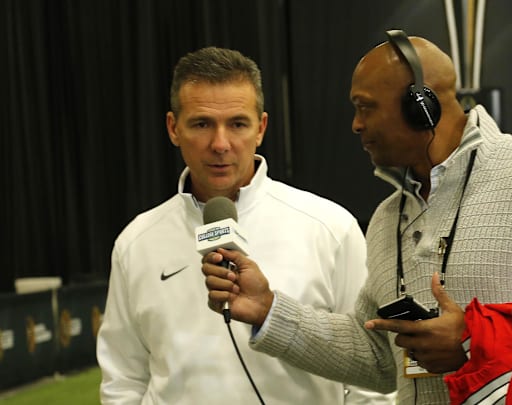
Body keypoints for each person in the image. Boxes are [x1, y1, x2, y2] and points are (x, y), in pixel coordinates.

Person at [202, 32, 512, 404]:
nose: (356, 125)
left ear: (421, 106)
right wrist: (267, 310)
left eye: (366, 107)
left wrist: (479, 337)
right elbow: (379, 359)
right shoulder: (386, 219)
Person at [96, 46, 394, 404]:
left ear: (261, 128)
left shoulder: (330, 227)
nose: (220, 144)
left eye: (237, 124)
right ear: (174, 128)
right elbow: (123, 380)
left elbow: (370, 379)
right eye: (202, 124)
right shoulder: (136, 242)